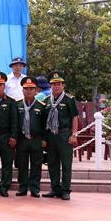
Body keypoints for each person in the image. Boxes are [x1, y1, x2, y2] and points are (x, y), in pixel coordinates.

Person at [42, 71, 79, 200]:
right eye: (53, 84)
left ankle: (65, 190)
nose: (56, 86)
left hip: (64, 134)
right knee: (52, 163)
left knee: (66, 164)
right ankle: (55, 188)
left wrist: (74, 134)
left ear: (63, 85)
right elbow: (44, 120)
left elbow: (74, 117)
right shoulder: (47, 100)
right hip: (51, 135)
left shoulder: (69, 99)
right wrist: (44, 138)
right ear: (50, 86)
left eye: (58, 84)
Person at [16, 76, 47, 198]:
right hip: (22, 140)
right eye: (26, 89)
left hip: (36, 139)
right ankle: (23, 187)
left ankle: (34, 188)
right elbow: (14, 123)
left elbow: (45, 124)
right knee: (22, 164)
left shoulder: (41, 105)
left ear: (36, 91)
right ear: (22, 90)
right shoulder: (17, 104)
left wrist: (44, 139)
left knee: (36, 165)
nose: (28, 91)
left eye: (31, 89)